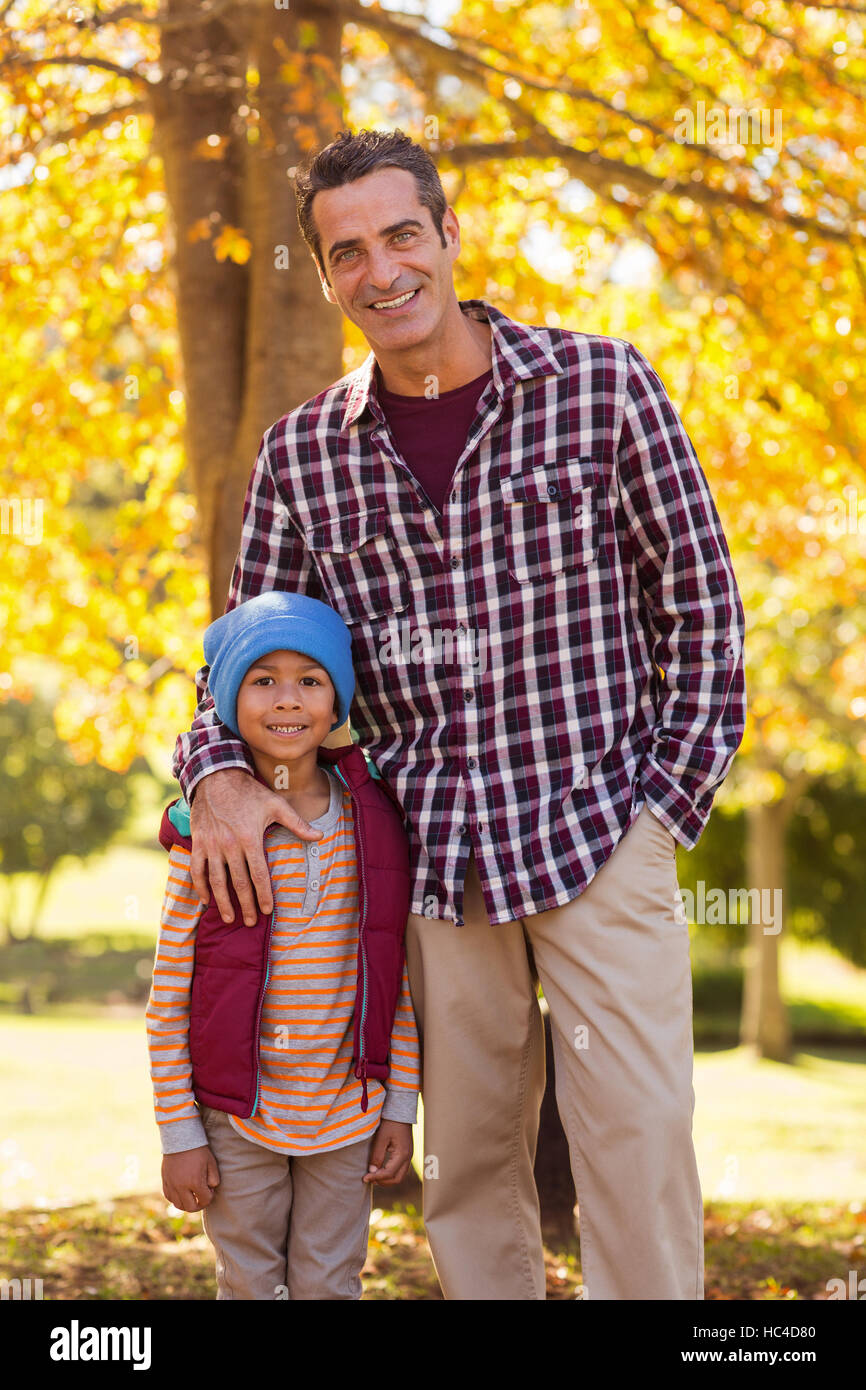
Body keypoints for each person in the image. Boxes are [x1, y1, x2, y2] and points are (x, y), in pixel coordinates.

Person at [171, 129, 747, 1300]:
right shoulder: (299, 459)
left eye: (398, 236)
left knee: (634, 1140)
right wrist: (215, 773)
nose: (379, 271)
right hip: (431, 858)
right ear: (324, 277)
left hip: (598, 832)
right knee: (467, 1162)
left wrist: (662, 808)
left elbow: (703, 613)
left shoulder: (600, 386)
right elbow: (239, 662)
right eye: (346, 253)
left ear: (445, 234)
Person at [148, 589, 419, 1300]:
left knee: (331, 1284)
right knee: (250, 1283)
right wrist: (180, 1132)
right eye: (262, 681)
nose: (287, 699)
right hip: (237, 1114)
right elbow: (169, 994)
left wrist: (399, 1106)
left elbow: (396, 982)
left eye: (310, 679)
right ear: (231, 704)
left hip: (348, 1111)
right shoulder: (208, 838)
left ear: (337, 703)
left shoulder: (377, 824)